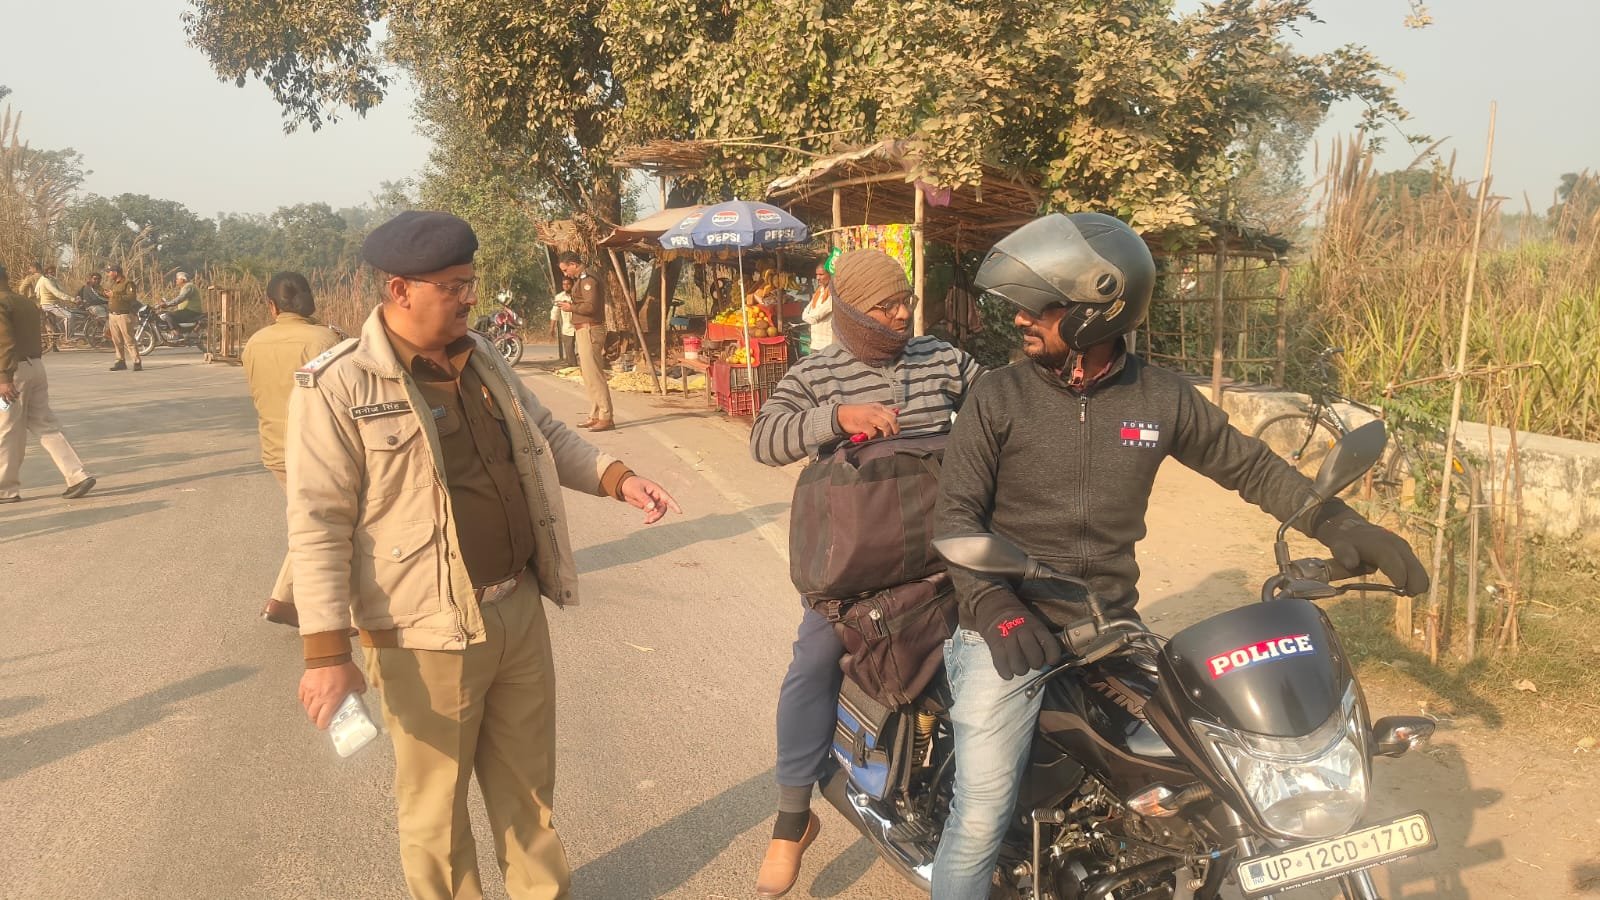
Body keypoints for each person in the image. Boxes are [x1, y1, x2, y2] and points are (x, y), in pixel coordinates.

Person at [929, 212, 1431, 898]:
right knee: (981, 811)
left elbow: (1248, 466)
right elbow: (955, 517)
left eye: (1039, 305)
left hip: (1109, 625)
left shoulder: (1159, 397)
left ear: (1093, 311)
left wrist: (1339, 523)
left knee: (1207, 777)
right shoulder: (997, 395)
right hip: (1008, 628)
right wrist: (993, 607)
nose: (1020, 318)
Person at [287, 210, 681, 900]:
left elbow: (546, 432)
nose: (469, 298)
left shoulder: (483, 358)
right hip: (423, 630)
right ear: (400, 289)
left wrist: (617, 478)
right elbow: (318, 522)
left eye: (470, 283)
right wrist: (325, 654)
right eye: (453, 287)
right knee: (436, 813)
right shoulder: (341, 385)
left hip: (515, 607)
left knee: (529, 791)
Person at [748, 249, 984, 898]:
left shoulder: (941, 358)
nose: (901, 315)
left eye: (906, 302)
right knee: (813, 661)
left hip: (943, 552)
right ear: (850, 311)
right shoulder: (818, 372)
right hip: (857, 568)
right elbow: (764, 439)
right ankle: (792, 819)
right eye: (885, 306)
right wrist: (835, 418)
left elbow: (996, 406)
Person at [240, 271, 341, 627]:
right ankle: (296, 603)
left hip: (276, 451)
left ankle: (284, 601)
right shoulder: (325, 340)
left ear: (271, 306)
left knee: (313, 522)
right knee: (329, 526)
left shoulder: (254, 343)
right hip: (318, 452)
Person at [0, 263, 97, 503]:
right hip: (35, 367)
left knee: (7, 429)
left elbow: (5, 343)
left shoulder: (2, 304)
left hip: (12, 374)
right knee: (45, 425)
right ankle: (77, 475)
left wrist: (4, 378)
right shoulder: (23, 302)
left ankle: (5, 489)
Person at [555, 251, 613, 431]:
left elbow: (590, 306)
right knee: (588, 375)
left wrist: (570, 307)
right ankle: (595, 414)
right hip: (583, 329)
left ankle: (606, 416)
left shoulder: (588, 279)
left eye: (566, 270)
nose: (565, 274)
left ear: (573, 264)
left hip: (590, 329)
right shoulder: (581, 279)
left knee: (594, 374)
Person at [102, 264, 141, 372]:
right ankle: (120, 361)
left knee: (129, 339)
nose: (108, 274)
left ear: (115, 272)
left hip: (123, 315)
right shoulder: (113, 284)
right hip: (113, 315)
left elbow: (131, 297)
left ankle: (136, 361)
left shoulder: (128, 283)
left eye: (109, 272)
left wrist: (114, 295)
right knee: (117, 340)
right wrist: (106, 294)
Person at [30, 264, 76, 332]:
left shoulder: (53, 279)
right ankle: (69, 336)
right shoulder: (45, 280)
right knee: (69, 316)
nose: (53, 273)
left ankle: (61, 331)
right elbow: (56, 293)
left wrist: (73, 298)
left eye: (54, 272)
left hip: (55, 304)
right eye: (51, 272)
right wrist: (72, 299)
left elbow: (62, 290)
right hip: (48, 305)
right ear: (46, 272)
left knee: (72, 312)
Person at [801, 262, 834, 351]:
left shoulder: (833, 294)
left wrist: (806, 316)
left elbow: (814, 317)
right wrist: (807, 316)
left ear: (830, 275)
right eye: (817, 274)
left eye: (821, 274)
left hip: (827, 344)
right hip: (815, 342)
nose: (817, 278)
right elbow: (806, 310)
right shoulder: (819, 292)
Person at [548, 276, 577, 367]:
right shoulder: (559, 297)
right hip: (568, 327)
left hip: (580, 326)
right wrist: (552, 328)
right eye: (564, 284)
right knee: (569, 350)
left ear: (572, 285)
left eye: (568, 284)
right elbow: (554, 313)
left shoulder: (578, 295)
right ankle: (572, 367)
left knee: (584, 349)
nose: (566, 286)